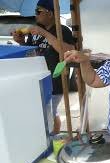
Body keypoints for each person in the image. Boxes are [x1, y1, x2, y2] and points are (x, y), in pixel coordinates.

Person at [12, 0, 74, 134]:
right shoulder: (34, 32)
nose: (36, 15)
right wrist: (21, 42)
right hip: (38, 79)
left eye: (38, 12)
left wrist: (44, 33)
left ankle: (51, 138)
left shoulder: (62, 30)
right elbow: (30, 53)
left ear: (50, 13)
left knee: (48, 113)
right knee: (49, 112)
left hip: (55, 80)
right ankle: (53, 137)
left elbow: (68, 51)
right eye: (35, 12)